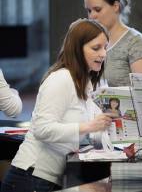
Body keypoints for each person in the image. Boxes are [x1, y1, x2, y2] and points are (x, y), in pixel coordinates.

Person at [0, 19, 113, 192]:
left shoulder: (89, 83)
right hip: (30, 177)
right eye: (96, 48)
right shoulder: (61, 79)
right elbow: (42, 129)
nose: (103, 54)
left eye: (105, 47)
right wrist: (89, 126)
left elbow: (91, 130)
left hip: (52, 177)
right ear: (77, 49)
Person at [83, 0, 142, 86]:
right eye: (89, 11)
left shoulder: (136, 43)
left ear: (115, 6)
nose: (92, 16)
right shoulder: (88, 43)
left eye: (97, 9)